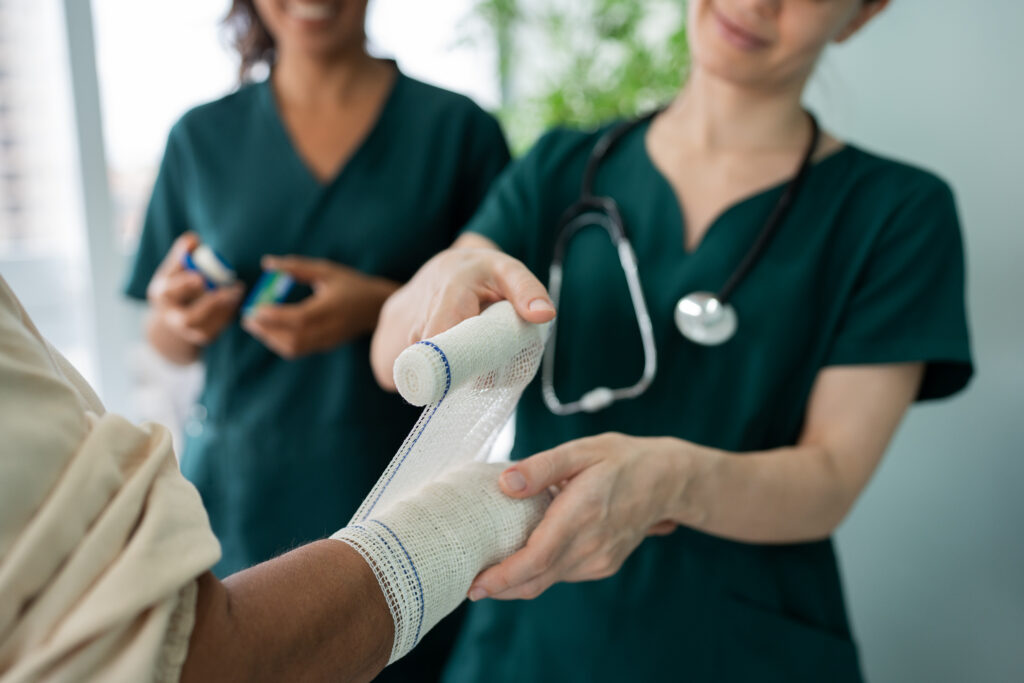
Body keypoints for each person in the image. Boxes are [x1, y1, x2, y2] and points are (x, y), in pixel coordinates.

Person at [371, 0, 974, 680]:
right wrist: (441, 278)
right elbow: (395, 355)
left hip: (742, 647)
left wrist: (673, 480)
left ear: (863, 14)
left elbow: (830, 478)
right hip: (535, 638)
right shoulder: (558, 170)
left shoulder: (896, 213)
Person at [125, 1, 509, 678]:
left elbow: (504, 328)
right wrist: (177, 319)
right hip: (241, 490)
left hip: (400, 488)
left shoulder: (457, 131)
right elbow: (165, 342)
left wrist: (381, 309)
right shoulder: (201, 138)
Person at [0, 274, 542, 682]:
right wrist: (480, 515)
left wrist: (378, 305)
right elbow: (178, 656)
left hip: (370, 463)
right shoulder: (198, 154)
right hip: (235, 488)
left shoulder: (461, 151)